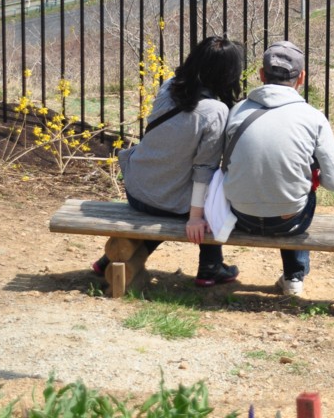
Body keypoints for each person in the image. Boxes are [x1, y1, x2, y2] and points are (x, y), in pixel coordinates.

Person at [92, 35, 245, 287]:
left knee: (170, 204)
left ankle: (107, 262)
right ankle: (210, 268)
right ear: (226, 74)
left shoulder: (169, 86)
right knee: (216, 193)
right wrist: (196, 218)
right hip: (167, 199)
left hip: (137, 189)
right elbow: (204, 168)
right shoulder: (216, 112)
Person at [223, 40, 334, 296]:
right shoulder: (312, 117)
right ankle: (294, 276)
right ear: (301, 77)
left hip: (240, 216)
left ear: (261, 75)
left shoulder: (237, 111)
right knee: (300, 189)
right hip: (289, 221)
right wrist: (312, 175)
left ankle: (210, 265)